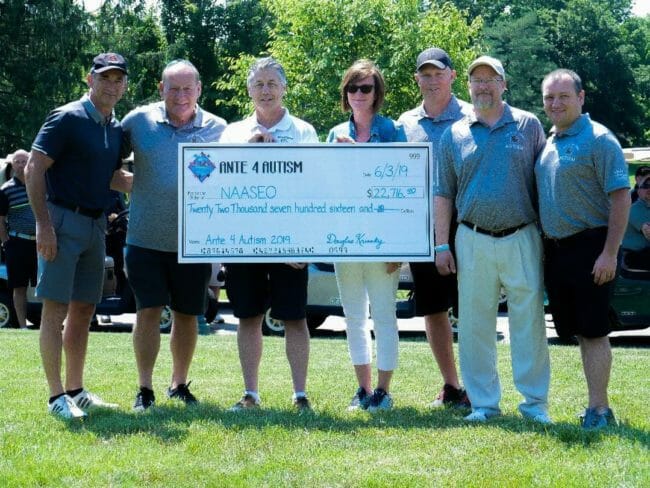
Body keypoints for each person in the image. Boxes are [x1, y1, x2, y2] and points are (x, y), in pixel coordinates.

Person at [435, 56, 551, 423]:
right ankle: (484, 404)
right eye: (477, 80)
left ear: (504, 84)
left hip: (522, 234)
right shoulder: (454, 133)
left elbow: (544, 182)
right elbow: (443, 193)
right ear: (468, 86)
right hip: (471, 238)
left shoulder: (528, 125)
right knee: (473, 324)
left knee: (529, 323)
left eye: (490, 79)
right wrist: (441, 244)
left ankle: (534, 404)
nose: (483, 86)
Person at [24, 52, 132, 419]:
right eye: (105, 78)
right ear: (90, 79)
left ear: (125, 85)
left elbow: (112, 177)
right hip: (61, 220)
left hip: (95, 225)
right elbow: (34, 169)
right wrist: (43, 225)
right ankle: (56, 397)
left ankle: (76, 389)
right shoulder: (66, 117)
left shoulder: (115, 129)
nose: (112, 85)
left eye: (118, 79)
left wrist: (166, 183)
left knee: (84, 309)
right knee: (55, 309)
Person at [121, 59, 226, 412]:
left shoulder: (220, 128)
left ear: (199, 89)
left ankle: (178, 384)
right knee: (147, 312)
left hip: (193, 243)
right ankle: (145, 389)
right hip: (144, 239)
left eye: (187, 88)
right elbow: (107, 164)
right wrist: (135, 184)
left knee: (186, 315)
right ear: (161, 89)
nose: (181, 96)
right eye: (173, 88)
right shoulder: (138, 121)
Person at [219, 57, 318, 412]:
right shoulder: (232, 133)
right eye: (258, 84)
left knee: (295, 317)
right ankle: (251, 394)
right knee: (248, 316)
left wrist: (305, 243)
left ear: (284, 88)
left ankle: (300, 395)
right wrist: (247, 151)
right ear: (249, 90)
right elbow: (219, 185)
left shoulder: (303, 132)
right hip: (244, 241)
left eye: (272, 83)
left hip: (290, 241)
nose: (265, 90)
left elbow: (315, 188)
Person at [536, 68, 631, 429]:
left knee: (594, 331)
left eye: (563, 96)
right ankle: (594, 405)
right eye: (549, 97)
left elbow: (620, 198)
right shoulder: (549, 141)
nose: (555, 103)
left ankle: (600, 410)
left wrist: (609, 253)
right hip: (557, 251)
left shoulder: (599, 140)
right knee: (579, 331)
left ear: (581, 97)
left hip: (591, 247)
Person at [327, 59, 405, 412]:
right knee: (354, 317)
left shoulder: (392, 131)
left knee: (385, 315)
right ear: (345, 93)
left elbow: (403, 190)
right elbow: (326, 189)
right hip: (345, 238)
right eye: (352, 88)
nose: (358, 94)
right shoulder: (334, 135)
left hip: (383, 240)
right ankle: (363, 389)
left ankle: (383, 392)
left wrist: (399, 245)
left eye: (366, 88)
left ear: (377, 93)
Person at [397, 47, 472, 409]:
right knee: (433, 309)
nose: (431, 80)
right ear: (417, 79)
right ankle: (452, 386)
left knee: (472, 308)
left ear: (452, 76)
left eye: (438, 73)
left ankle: (478, 385)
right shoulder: (405, 123)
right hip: (422, 228)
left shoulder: (472, 116)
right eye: (425, 75)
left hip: (468, 225)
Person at [0, 150, 36, 329]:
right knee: (19, 287)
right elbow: (0, 220)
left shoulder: (40, 184)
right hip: (17, 243)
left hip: (41, 243)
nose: (21, 165)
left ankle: (49, 324)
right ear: (12, 165)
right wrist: (6, 242)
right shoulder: (5, 190)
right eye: (18, 162)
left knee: (47, 285)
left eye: (25, 161)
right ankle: (23, 327)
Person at [622, 175, 650, 270]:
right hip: (633, 257)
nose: (649, 189)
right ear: (638, 191)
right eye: (645, 186)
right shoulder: (634, 209)